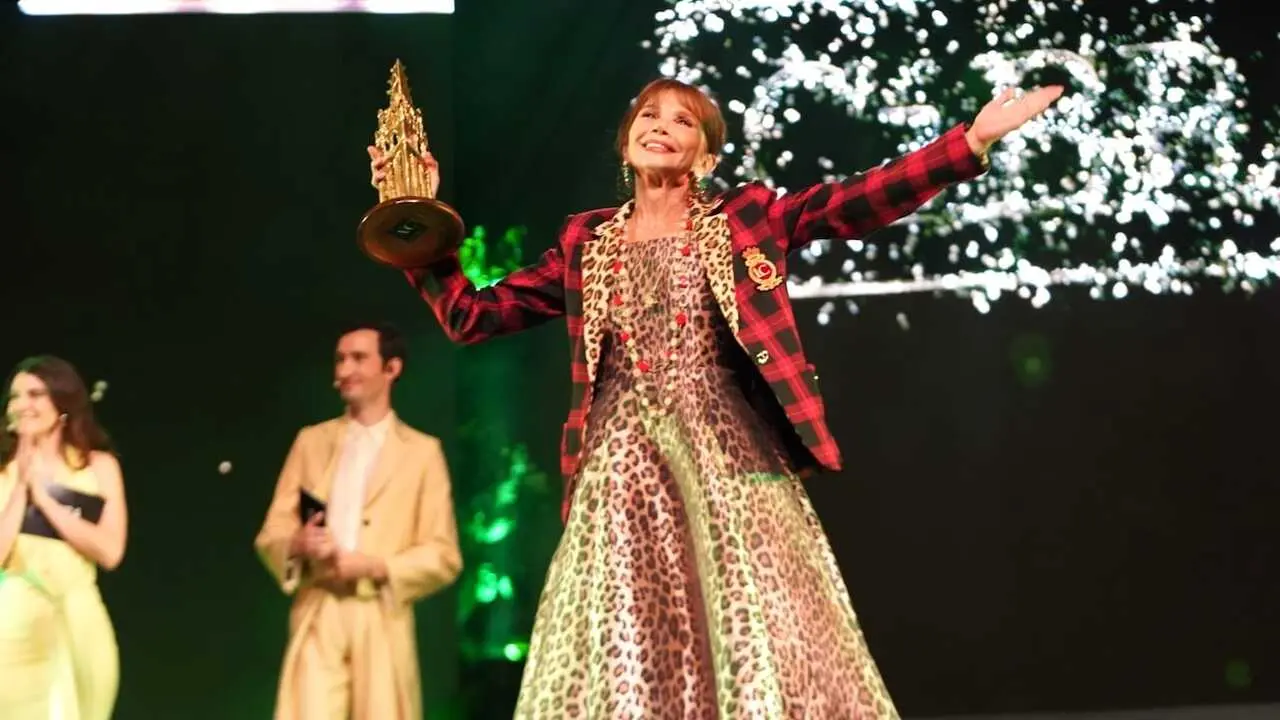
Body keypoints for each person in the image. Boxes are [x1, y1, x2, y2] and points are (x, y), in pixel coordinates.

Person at [372, 78, 1063, 717]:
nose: (662, 126)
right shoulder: (587, 240)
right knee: (631, 627)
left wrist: (967, 144)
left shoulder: (748, 217)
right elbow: (474, 316)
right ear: (625, 143)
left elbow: (853, 203)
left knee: (753, 615)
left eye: (684, 121)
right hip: (621, 463)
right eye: (649, 115)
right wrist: (413, 226)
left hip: (727, 451)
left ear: (705, 155)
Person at [254, 322, 462, 720]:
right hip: (319, 605)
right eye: (340, 359)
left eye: (358, 358)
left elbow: (443, 553)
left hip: (379, 612)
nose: (344, 370)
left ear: (392, 368)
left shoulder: (421, 453)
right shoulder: (311, 442)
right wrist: (297, 543)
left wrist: (377, 566)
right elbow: (272, 531)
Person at [0, 355, 125, 720]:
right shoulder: (3, 471)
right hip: (13, 623)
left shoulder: (99, 466)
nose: (22, 405)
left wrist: (46, 499)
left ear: (62, 403)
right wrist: (22, 485)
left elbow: (111, 550)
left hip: (81, 616)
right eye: (15, 396)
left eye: (35, 394)